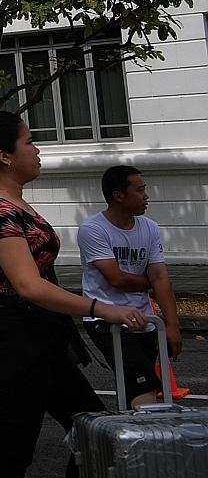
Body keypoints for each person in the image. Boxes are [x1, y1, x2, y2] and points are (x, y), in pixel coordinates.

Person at [0, 111, 147, 478]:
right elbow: (28, 285)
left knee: (92, 433)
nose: (38, 150)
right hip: (16, 346)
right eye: (30, 142)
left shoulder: (15, 204)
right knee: (11, 458)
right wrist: (101, 308)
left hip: (42, 340)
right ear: (5, 155)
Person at [77, 165, 186, 405]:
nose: (146, 196)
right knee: (143, 387)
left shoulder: (150, 228)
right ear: (118, 196)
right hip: (107, 320)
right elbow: (116, 278)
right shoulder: (93, 229)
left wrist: (173, 325)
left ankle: (126, 436)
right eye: (140, 190)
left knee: (131, 388)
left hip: (144, 320)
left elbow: (161, 277)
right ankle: (150, 439)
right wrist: (151, 283)